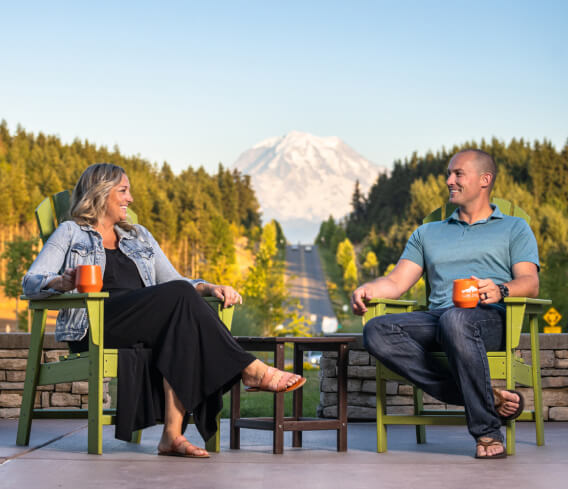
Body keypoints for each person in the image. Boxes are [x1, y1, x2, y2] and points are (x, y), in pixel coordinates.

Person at [23, 163, 306, 458]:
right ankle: (251, 369)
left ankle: (171, 435)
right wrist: (59, 281)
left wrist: (209, 287)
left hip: (143, 322)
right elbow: (30, 281)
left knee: (180, 321)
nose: (130, 199)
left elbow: (175, 282)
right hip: (95, 323)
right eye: (123, 191)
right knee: (179, 305)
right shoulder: (70, 232)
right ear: (100, 194)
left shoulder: (139, 236)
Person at [351, 149, 539, 459]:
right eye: (448, 174)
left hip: (489, 317)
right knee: (376, 329)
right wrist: (368, 288)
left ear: (484, 180)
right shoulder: (427, 232)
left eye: (457, 174)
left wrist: (501, 289)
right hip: (438, 318)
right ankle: (487, 397)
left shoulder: (514, 228)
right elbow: (397, 282)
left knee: (456, 319)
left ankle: (487, 433)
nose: (449, 180)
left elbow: (529, 282)